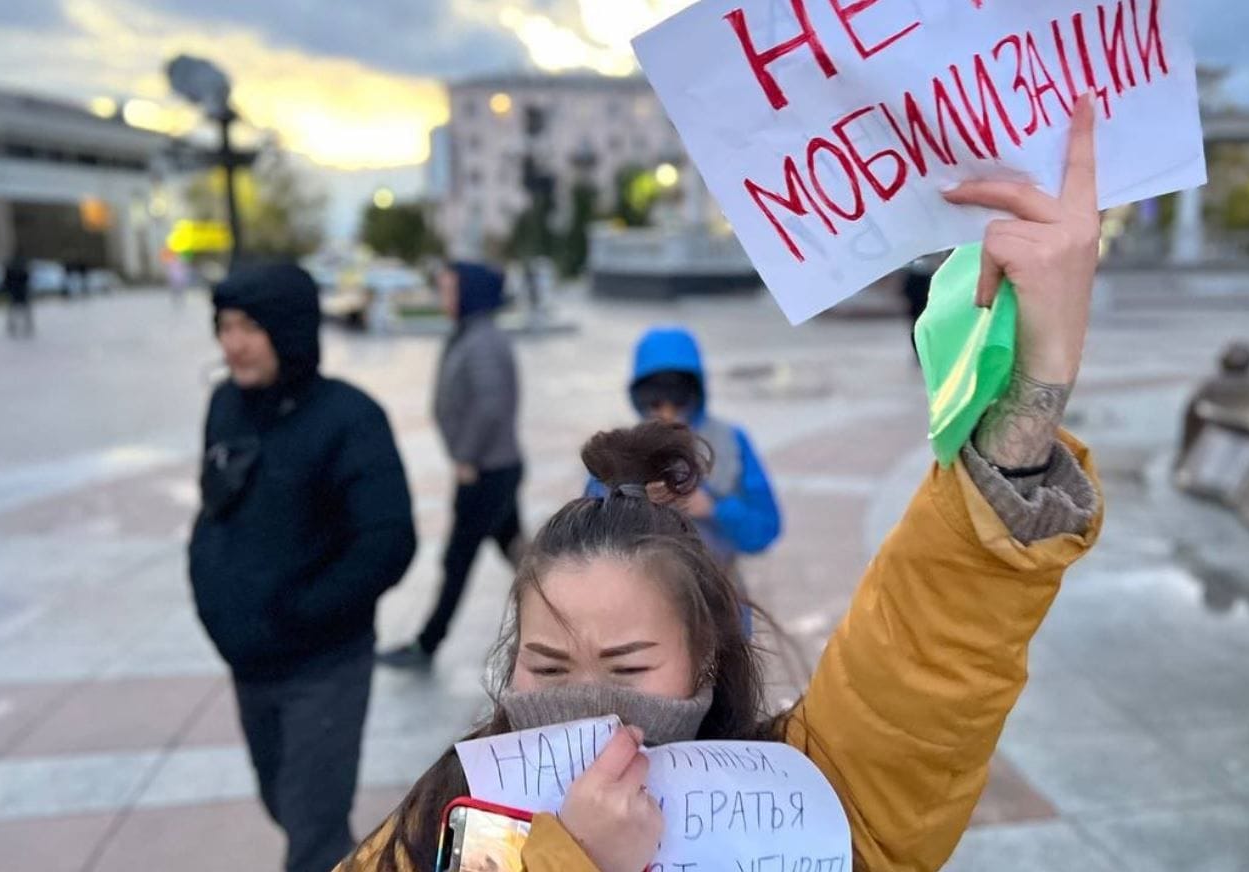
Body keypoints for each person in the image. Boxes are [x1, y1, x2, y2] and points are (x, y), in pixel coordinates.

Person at [340, 94, 1105, 872]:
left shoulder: (803, 806)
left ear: (707, 657)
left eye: (632, 668)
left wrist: (1027, 396)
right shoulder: (431, 830)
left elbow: (926, 660)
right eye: (546, 667)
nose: (590, 709)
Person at [189, 262, 417, 872]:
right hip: (249, 662)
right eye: (224, 325)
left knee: (313, 829)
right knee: (284, 804)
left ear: (287, 331)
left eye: (249, 327)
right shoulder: (224, 406)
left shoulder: (348, 417)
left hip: (324, 664)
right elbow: (216, 510)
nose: (232, 342)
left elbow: (389, 542)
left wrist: (300, 612)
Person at [379, 262, 523, 670]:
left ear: (469, 292)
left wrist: (467, 457)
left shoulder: (482, 342)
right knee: (518, 551)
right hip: (495, 467)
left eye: (448, 288)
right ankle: (569, 612)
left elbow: (492, 407)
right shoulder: (474, 334)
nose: (442, 297)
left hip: (485, 471)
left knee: (457, 560)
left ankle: (427, 642)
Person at [586, 326, 780, 621]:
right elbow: (589, 535)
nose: (667, 414)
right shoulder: (622, 451)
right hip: (642, 608)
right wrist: (633, 501)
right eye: (655, 403)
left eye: (678, 402)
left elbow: (764, 530)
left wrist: (715, 508)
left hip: (719, 604)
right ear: (639, 398)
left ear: (695, 394)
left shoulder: (729, 441)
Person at [3, 256, 32, 338]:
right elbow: (27, 278)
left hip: (17, 291)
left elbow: (7, 280)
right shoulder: (21, 267)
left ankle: (15, 325)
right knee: (20, 310)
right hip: (19, 291)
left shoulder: (12, 267)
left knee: (17, 310)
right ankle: (19, 325)